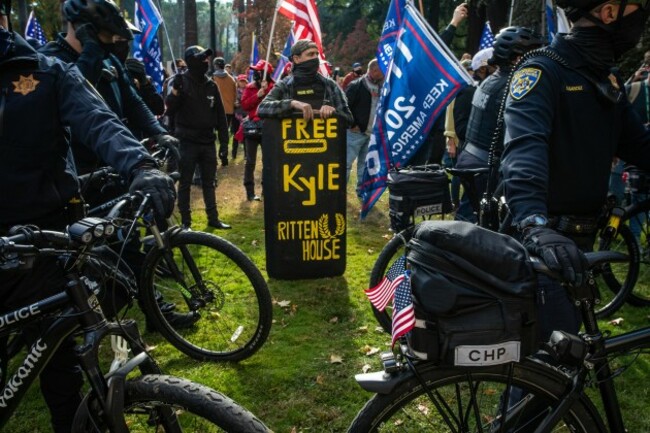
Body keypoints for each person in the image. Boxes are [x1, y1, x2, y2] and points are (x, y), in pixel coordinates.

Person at [0, 3, 175, 432]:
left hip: (43, 237)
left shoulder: (46, 72)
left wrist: (142, 166)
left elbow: (101, 121)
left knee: (60, 360)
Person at [501, 0, 650, 344]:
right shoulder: (543, 70)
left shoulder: (605, 79)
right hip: (544, 249)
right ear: (609, 13)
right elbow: (525, 149)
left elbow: (639, 147)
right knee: (541, 376)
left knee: (563, 368)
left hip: (578, 248)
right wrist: (536, 227)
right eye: (638, 9)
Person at [39, 0, 177, 178]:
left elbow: (133, 102)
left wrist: (159, 132)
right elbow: (78, 95)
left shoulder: (109, 60)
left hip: (116, 161)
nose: (112, 43)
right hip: (77, 171)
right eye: (106, 35)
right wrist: (90, 53)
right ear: (82, 28)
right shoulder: (49, 62)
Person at [455, 27, 543, 221]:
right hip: (488, 166)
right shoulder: (512, 86)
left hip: (471, 158)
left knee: (470, 219)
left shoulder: (490, 80)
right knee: (485, 227)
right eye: (533, 54)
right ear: (517, 58)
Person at [166, 46, 231, 230]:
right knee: (185, 182)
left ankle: (213, 218)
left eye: (206, 58)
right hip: (186, 141)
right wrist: (175, 91)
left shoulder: (211, 85)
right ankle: (186, 222)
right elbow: (169, 110)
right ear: (190, 61)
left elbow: (220, 116)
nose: (206, 61)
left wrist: (224, 143)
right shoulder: (180, 82)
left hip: (208, 141)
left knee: (209, 182)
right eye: (201, 58)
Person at [257, 39, 353, 123]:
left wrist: (334, 112)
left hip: (324, 142)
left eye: (317, 54)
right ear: (296, 59)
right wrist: (292, 104)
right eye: (310, 54)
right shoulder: (284, 85)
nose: (315, 58)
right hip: (291, 142)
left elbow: (349, 119)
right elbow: (262, 109)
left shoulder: (329, 85)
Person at [345, 58, 384, 195]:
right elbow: (345, 107)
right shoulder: (356, 85)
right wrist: (352, 124)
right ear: (374, 70)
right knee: (347, 163)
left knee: (365, 164)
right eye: (382, 69)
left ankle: (362, 190)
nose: (385, 72)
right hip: (355, 133)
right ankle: (340, 192)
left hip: (371, 133)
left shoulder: (382, 86)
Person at [239, 59, 275, 201]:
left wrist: (267, 93)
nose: (255, 74)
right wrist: (257, 95)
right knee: (250, 161)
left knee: (268, 161)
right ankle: (250, 191)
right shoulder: (250, 87)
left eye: (258, 72)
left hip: (268, 128)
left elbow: (274, 106)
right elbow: (245, 105)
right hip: (252, 129)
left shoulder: (274, 88)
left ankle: (268, 189)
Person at [212, 56, 238, 165]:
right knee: (224, 135)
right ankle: (224, 157)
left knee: (210, 134)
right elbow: (235, 96)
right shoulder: (232, 79)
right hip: (228, 111)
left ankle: (211, 158)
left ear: (215, 66)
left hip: (214, 111)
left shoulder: (212, 78)